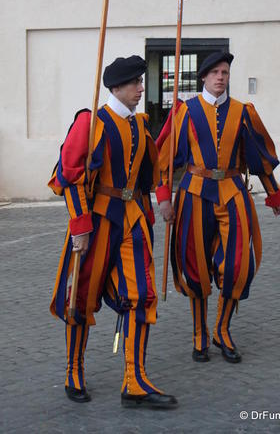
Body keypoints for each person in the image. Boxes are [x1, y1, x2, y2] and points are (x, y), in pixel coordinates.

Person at [49, 55, 177, 408]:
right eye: (135, 83)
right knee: (80, 297)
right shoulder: (91, 123)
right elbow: (69, 175)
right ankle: (74, 371)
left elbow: (150, 174)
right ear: (116, 87)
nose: (141, 88)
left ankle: (134, 381)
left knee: (141, 296)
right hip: (98, 222)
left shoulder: (140, 124)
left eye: (140, 82)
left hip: (133, 220)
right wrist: (79, 225)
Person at [156, 49, 280, 363]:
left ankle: (222, 330)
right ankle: (200, 333)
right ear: (203, 77)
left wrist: (273, 193)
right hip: (193, 195)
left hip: (232, 193)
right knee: (195, 265)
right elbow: (164, 159)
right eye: (215, 73)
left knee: (238, 265)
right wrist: (163, 199)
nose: (220, 78)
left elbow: (259, 158)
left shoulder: (243, 112)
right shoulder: (184, 112)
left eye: (225, 73)